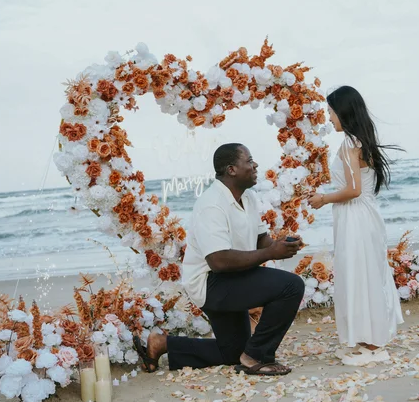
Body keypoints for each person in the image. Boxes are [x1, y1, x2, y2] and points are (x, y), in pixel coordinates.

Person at [134, 143, 305, 376]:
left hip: (234, 277)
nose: (255, 165)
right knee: (292, 286)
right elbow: (219, 261)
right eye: (250, 161)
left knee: (232, 353)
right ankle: (257, 356)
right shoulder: (211, 204)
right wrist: (270, 253)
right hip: (211, 282)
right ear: (231, 169)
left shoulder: (249, 198)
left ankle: (163, 343)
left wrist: (279, 245)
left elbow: (260, 239)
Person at [308, 86, 404, 366]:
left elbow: (353, 190)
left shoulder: (351, 143)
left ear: (343, 112)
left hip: (356, 215)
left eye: (331, 112)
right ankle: (364, 339)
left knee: (361, 273)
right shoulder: (359, 140)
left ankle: (373, 345)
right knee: (361, 271)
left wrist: (323, 199)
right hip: (359, 215)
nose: (329, 118)